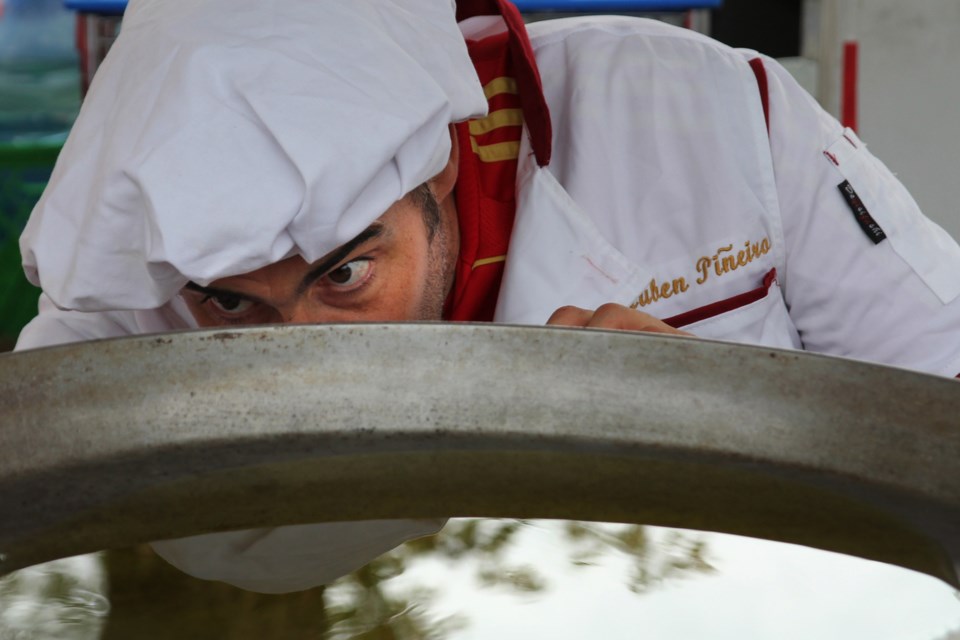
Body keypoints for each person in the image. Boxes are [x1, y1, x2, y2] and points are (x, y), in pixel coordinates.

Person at [15, 0, 960, 592]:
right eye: (230, 306)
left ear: (440, 164)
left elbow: (941, 405)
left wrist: (716, 429)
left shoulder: (700, 112)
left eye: (344, 275)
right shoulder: (133, 251)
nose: (296, 352)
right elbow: (46, 496)